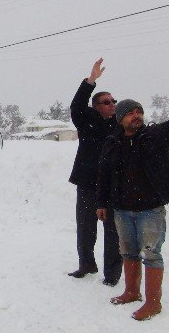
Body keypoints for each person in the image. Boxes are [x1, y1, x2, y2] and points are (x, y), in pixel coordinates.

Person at [96, 72, 169, 321]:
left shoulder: (155, 136)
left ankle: (153, 303)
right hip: (122, 209)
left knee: (152, 254)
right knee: (128, 252)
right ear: (120, 119)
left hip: (150, 209)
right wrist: (101, 203)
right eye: (130, 112)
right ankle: (131, 291)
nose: (136, 115)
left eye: (139, 111)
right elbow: (104, 175)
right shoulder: (112, 142)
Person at [67, 58, 122, 286]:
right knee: (86, 226)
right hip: (88, 183)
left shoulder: (120, 125)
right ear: (96, 106)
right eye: (106, 102)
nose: (111, 105)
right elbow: (76, 105)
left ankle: (112, 274)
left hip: (112, 185)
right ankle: (86, 264)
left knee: (113, 232)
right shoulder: (86, 120)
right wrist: (91, 81)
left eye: (113, 101)